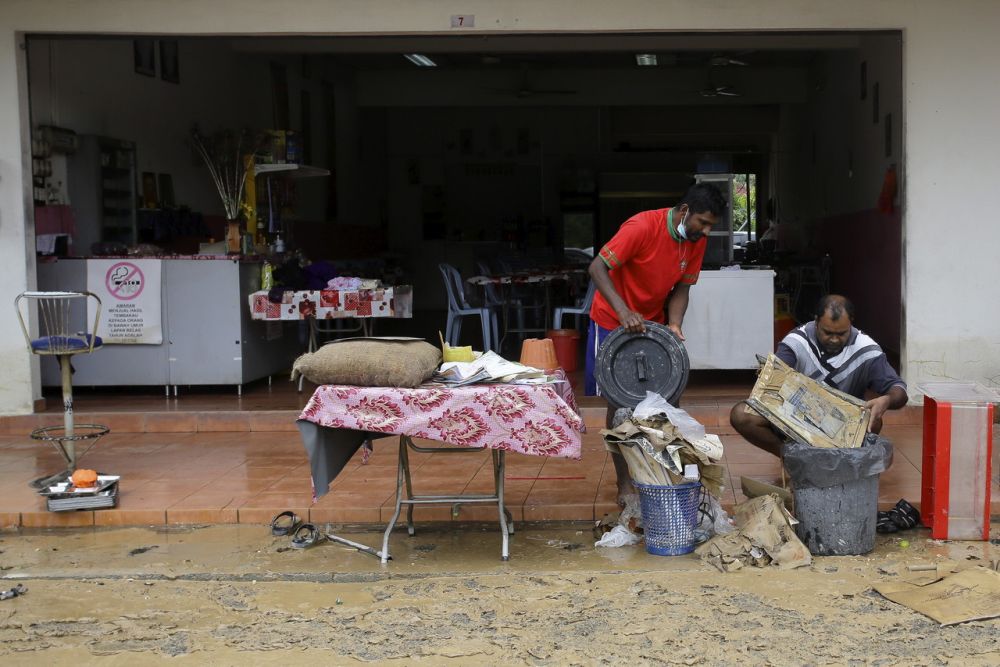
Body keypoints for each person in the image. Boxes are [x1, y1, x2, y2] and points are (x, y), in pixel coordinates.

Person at [586, 181, 727, 502]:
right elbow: (597, 268)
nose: (705, 231)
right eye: (702, 223)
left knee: (667, 400)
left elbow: (683, 288)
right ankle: (624, 484)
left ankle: (664, 475)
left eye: (711, 227)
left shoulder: (694, 240)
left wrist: (674, 323)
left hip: (652, 326)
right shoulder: (641, 227)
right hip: (613, 321)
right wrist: (623, 312)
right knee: (620, 405)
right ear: (685, 210)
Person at [730, 294, 908, 458]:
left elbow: (899, 391)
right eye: (827, 332)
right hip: (795, 424)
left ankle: (846, 466)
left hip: (843, 430)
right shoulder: (796, 342)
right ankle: (793, 459)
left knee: (873, 421)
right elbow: (774, 381)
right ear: (816, 322)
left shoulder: (866, 350)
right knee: (741, 414)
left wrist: (886, 400)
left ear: (851, 324)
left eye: (841, 334)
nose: (834, 339)